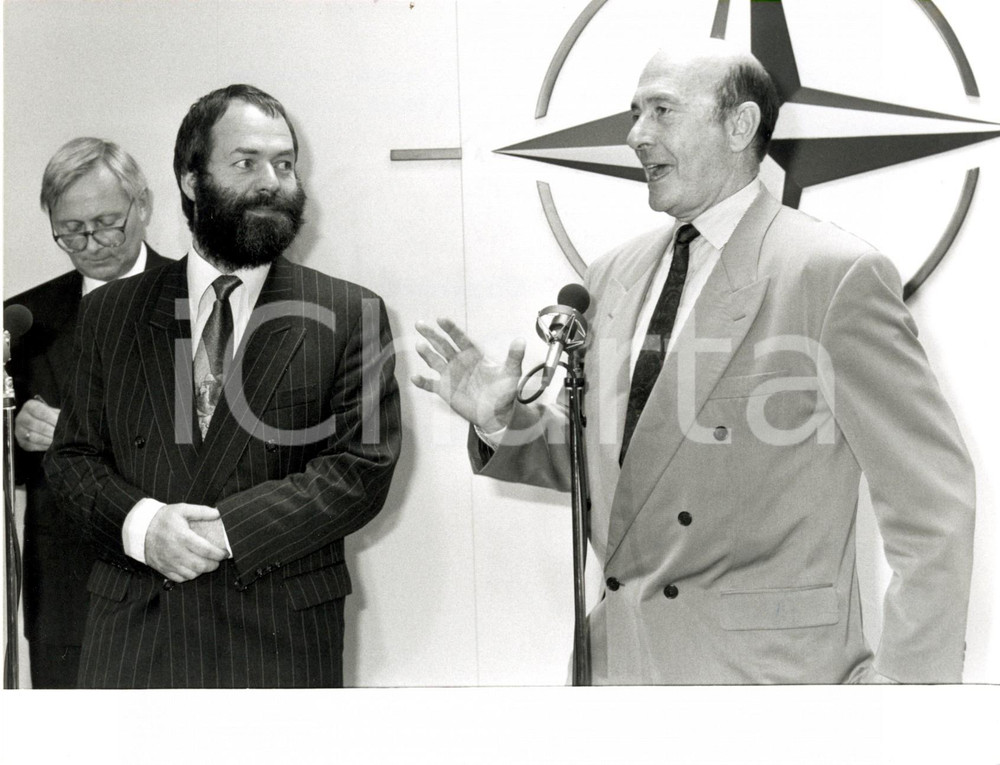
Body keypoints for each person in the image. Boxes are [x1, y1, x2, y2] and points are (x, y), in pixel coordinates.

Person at [413, 40, 975, 684]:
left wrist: (912, 701)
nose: (635, 135)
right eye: (634, 112)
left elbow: (933, 507)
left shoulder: (835, 275)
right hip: (619, 673)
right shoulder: (611, 274)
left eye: (662, 111)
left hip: (771, 688)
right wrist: (502, 423)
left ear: (740, 125)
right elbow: (626, 469)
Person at [45, 84, 401, 688]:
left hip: (277, 641)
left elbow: (359, 470)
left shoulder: (349, 312)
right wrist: (144, 526)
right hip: (133, 641)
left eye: (284, 164)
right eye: (246, 163)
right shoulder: (110, 313)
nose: (273, 181)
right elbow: (74, 458)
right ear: (190, 180)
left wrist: (224, 530)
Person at [5, 137, 172, 688]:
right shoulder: (24, 319)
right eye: (71, 230)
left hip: (177, 582)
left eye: (107, 222)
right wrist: (14, 434)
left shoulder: (198, 302)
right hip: (65, 592)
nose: (92, 242)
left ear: (142, 206)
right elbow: (16, 476)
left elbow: (210, 441)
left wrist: (74, 436)